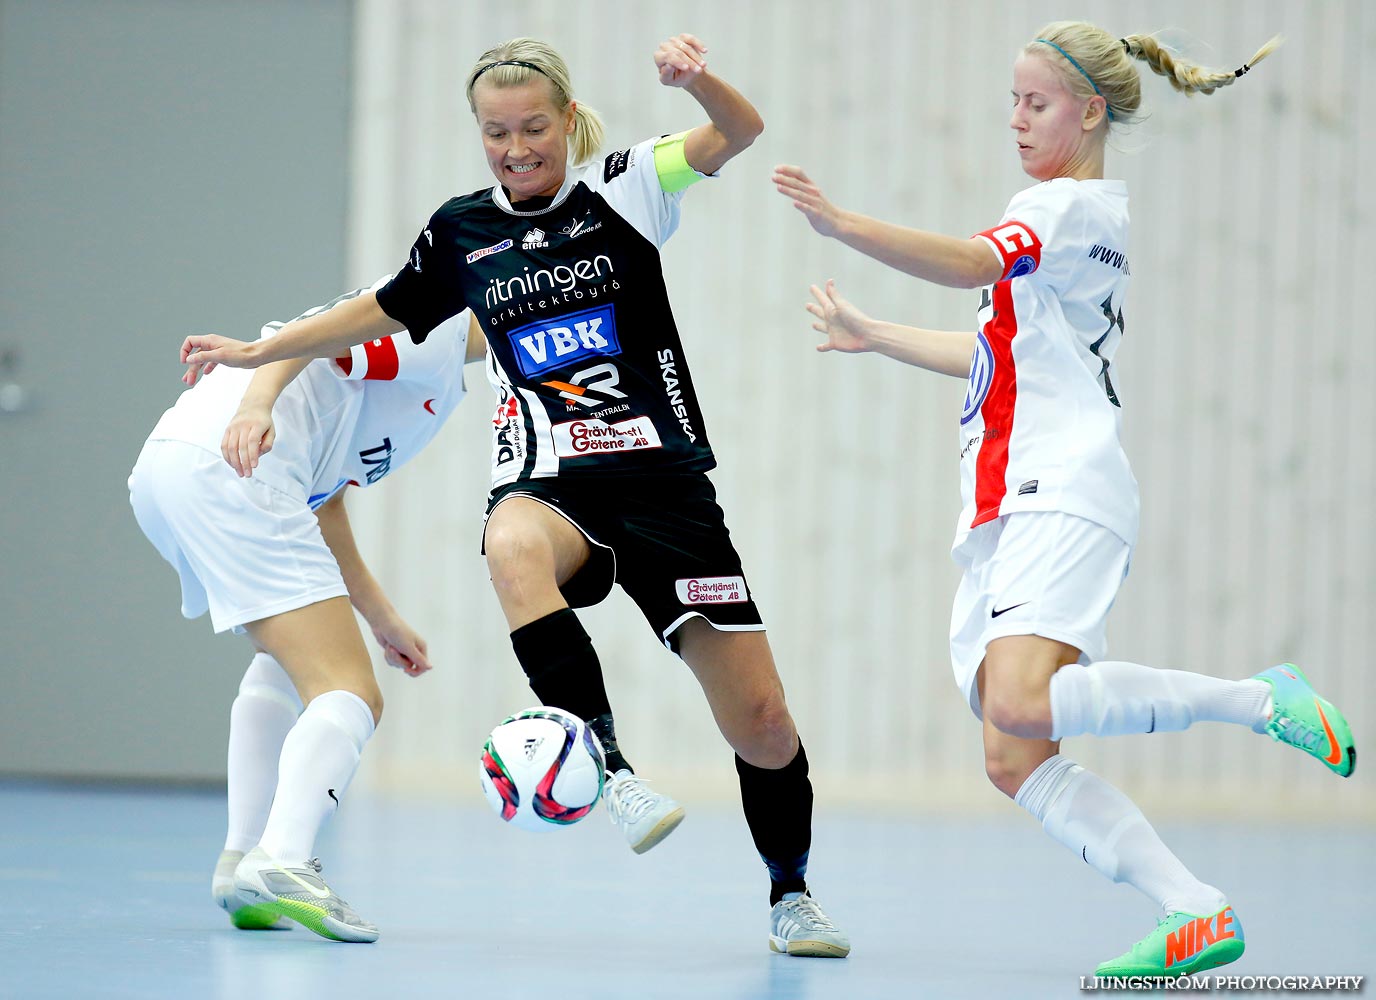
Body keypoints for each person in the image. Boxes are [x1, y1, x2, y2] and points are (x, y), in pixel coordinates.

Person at [178, 33, 851, 958]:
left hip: (665, 488)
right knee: (509, 545)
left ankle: (792, 893)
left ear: (567, 122)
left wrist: (699, 84)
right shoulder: (462, 231)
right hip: (548, 480)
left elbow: (739, 130)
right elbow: (376, 306)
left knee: (765, 727)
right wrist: (263, 355)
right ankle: (611, 769)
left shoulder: (626, 184)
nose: (516, 147)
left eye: (534, 127)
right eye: (496, 133)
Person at [776, 22, 1354, 979]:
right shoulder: (1071, 224)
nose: (1015, 119)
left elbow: (969, 262)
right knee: (1013, 753)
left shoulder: (1064, 208)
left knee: (1020, 697)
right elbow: (1000, 359)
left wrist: (844, 226)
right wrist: (874, 336)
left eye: (1034, 102)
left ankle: (1258, 700)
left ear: (1090, 111)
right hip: (1018, 495)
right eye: (1011, 99)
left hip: (1063, 485)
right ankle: (1195, 909)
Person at [131, 278, 480, 942]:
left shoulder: (445, 362)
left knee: (287, 664)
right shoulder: (434, 319)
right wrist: (258, 403)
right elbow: (314, 341)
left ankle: (241, 863)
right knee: (350, 693)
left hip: (176, 467)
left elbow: (325, 500)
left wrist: (378, 616)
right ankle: (284, 860)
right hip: (234, 463)